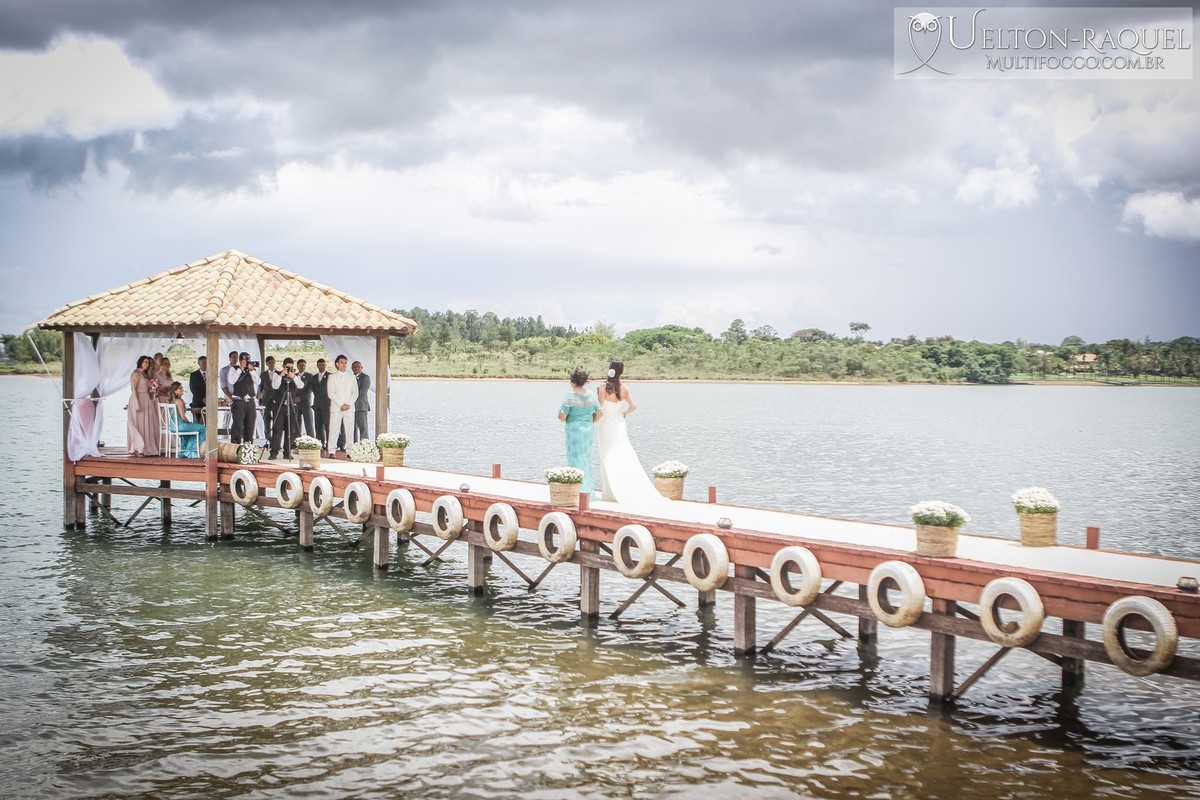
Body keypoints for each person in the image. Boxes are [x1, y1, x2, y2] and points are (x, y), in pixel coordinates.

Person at [595, 359, 662, 503]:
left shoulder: (603, 387)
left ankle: (611, 492)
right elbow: (634, 406)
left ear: (610, 370)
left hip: (606, 423)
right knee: (623, 451)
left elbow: (599, 408)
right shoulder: (624, 388)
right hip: (619, 423)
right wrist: (623, 413)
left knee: (607, 453)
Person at [558, 369, 602, 496]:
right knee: (585, 459)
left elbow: (562, 417)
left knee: (575, 459)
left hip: (574, 430)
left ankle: (578, 492)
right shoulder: (591, 395)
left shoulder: (570, 395)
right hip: (588, 429)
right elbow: (599, 412)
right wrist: (590, 422)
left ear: (572, 381)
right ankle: (587, 492)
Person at [126, 355, 161, 457]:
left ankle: (146, 447)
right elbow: (133, 389)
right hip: (138, 398)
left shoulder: (144, 374)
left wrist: (153, 391)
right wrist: (136, 402)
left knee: (146, 423)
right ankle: (137, 448)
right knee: (138, 424)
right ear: (140, 362)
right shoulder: (136, 373)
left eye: (148, 363)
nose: (147, 364)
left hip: (146, 399)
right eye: (145, 362)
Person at [268, 358, 300, 460]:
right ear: (283, 366)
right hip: (279, 405)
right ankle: (274, 452)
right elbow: (275, 386)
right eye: (287, 367)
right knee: (277, 429)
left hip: (290, 405)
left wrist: (293, 376)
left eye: (291, 367)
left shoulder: (295, 375)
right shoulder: (277, 375)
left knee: (290, 430)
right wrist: (281, 375)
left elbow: (301, 385)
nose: (289, 369)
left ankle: (287, 452)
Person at [327, 354, 357, 456]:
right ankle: (331, 450)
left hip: (349, 408)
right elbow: (331, 393)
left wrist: (348, 404)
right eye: (342, 363)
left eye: (345, 363)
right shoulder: (332, 377)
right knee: (334, 429)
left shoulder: (352, 377)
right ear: (337, 364)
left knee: (349, 430)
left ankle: (350, 451)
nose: (344, 365)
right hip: (336, 407)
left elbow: (355, 393)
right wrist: (341, 404)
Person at [338, 360, 371, 449]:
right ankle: (354, 447)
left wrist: (349, 401)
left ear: (361, 368)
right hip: (350, 408)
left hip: (360, 407)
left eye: (358, 367)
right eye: (354, 367)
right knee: (352, 428)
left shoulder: (365, 378)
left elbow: (362, 392)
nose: (356, 368)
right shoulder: (350, 378)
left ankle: (365, 447)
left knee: (363, 428)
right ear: (352, 368)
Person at [168, 381, 206, 458]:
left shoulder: (172, 401)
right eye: (180, 388)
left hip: (172, 426)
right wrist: (189, 422)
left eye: (182, 388)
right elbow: (183, 417)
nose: (182, 389)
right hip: (180, 426)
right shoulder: (179, 401)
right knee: (203, 428)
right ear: (175, 391)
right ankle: (191, 451)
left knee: (194, 429)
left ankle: (185, 451)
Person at [229, 352, 260, 444]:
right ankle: (235, 448)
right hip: (239, 401)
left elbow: (258, 381)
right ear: (240, 360)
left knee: (250, 426)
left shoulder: (251, 370)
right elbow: (231, 381)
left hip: (250, 401)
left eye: (248, 360)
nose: (246, 362)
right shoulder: (233, 369)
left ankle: (248, 448)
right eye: (244, 360)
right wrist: (240, 369)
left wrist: (252, 371)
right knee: (237, 426)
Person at [310, 357, 331, 451]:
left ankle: (330, 444)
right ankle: (320, 444)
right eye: (320, 365)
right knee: (318, 426)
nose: (321, 366)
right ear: (317, 366)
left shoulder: (330, 376)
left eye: (323, 365)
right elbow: (311, 390)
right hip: (317, 404)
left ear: (326, 365)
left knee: (328, 426)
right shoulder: (314, 377)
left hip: (327, 405)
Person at [295, 358, 315, 437]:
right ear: (297, 366)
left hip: (306, 402)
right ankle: (296, 441)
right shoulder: (294, 375)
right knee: (296, 423)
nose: (302, 367)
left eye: (303, 365)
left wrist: (301, 398)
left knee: (309, 422)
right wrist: (295, 398)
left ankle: (311, 440)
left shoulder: (309, 376)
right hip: (295, 402)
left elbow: (309, 389)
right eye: (300, 365)